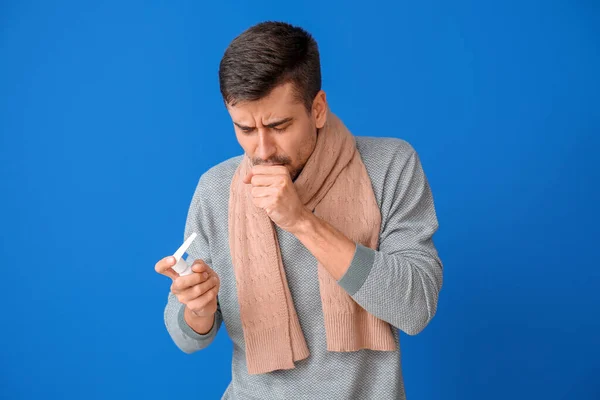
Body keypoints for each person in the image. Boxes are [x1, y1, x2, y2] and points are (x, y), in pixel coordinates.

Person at [155, 21, 443, 400]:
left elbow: (416, 306)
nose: (261, 150)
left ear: (318, 109)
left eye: (278, 125)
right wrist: (198, 309)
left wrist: (302, 222)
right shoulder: (215, 189)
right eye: (244, 128)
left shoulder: (391, 165)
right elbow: (186, 337)